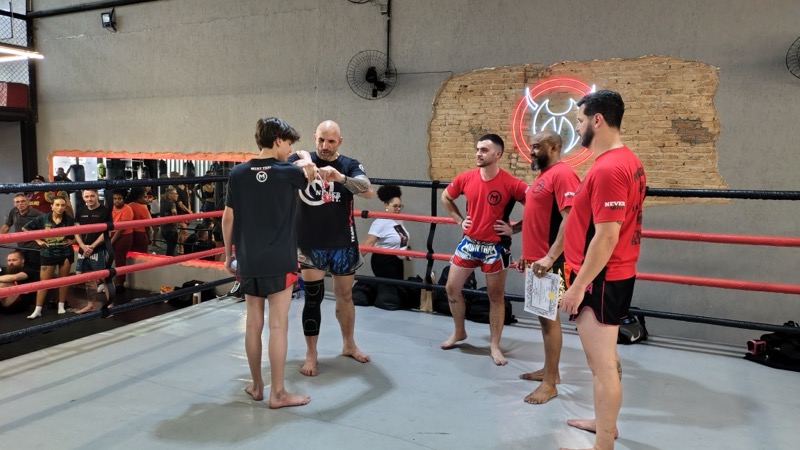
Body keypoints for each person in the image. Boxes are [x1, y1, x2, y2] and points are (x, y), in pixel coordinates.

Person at [559, 90, 646, 450]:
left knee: (602, 366)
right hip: (607, 275)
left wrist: (578, 286)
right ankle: (604, 423)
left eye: (580, 120)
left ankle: (603, 443)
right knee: (604, 360)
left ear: (597, 120)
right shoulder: (624, 160)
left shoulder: (610, 168)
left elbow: (607, 236)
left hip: (601, 278)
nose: (577, 127)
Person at [222, 116, 315, 408]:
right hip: (280, 260)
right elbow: (311, 173)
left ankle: (257, 386)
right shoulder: (289, 172)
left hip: (249, 259)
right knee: (278, 327)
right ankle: (278, 394)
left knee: (253, 324)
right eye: (288, 144)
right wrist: (305, 158)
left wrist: (228, 254)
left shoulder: (237, 173)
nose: (290, 150)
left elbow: (228, 218)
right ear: (277, 141)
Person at [287, 120, 374, 377]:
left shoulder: (349, 164)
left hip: (342, 242)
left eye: (331, 141)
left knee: (345, 296)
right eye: (321, 140)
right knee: (313, 297)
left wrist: (340, 178)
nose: (325, 146)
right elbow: (282, 169)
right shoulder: (300, 158)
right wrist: (303, 164)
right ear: (315, 137)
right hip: (310, 243)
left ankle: (349, 344)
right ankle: (311, 353)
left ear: (340, 142)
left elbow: (367, 189)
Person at [440, 133, 527, 366]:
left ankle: (495, 345)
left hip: (495, 247)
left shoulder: (512, 183)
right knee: (451, 287)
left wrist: (514, 229)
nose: (479, 153)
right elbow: (446, 196)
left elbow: (536, 208)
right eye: (478, 149)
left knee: (495, 297)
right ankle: (459, 331)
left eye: (484, 150)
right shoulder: (466, 177)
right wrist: (459, 220)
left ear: (497, 154)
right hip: (469, 242)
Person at [509, 130, 580, 404]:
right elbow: (537, 219)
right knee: (543, 317)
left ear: (554, 147)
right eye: (531, 146)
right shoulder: (543, 176)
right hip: (537, 261)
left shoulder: (563, 174)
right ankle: (551, 371)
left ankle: (550, 383)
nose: (532, 151)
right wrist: (524, 250)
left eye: (537, 146)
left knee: (550, 320)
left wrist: (550, 257)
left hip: (551, 261)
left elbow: (570, 219)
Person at [357, 185, 413, 309]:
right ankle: (366, 293)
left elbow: (401, 241)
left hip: (397, 262)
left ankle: (374, 295)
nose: (398, 209)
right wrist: (352, 263)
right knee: (390, 291)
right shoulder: (380, 222)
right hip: (384, 261)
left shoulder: (399, 220)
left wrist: (407, 253)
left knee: (394, 290)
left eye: (400, 206)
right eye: (395, 206)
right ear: (386, 205)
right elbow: (368, 243)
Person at [22, 196, 76, 319]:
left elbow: (78, 233)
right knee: (44, 283)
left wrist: (73, 241)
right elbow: (25, 228)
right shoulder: (43, 218)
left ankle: (61, 306)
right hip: (48, 253)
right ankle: (38, 309)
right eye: (57, 205)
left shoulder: (69, 219)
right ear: (52, 206)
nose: (60, 208)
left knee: (64, 281)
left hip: (65, 252)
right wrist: (38, 240)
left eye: (62, 205)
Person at [73, 189, 111, 314]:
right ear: (83, 197)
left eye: (92, 196)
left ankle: (110, 306)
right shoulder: (80, 210)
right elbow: (76, 230)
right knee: (88, 278)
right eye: (87, 196)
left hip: (99, 249)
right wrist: (82, 246)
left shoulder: (105, 211)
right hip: (84, 249)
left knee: (104, 277)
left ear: (97, 196)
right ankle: (90, 305)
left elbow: (107, 232)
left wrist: (92, 246)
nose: (89, 199)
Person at [1, 193, 44, 269]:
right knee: (17, 267)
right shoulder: (14, 211)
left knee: (32, 270)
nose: (20, 203)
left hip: (34, 248)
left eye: (23, 201)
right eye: (17, 202)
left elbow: (48, 226)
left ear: (28, 202)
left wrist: (40, 240)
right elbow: (7, 226)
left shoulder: (37, 214)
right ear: (14, 204)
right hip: (21, 247)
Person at [108, 189, 134, 292]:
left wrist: (111, 241)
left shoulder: (127, 209)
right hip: (112, 234)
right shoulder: (110, 208)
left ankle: (120, 283)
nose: (117, 201)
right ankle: (107, 280)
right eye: (115, 199)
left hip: (124, 235)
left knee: (120, 258)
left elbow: (121, 229)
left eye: (119, 198)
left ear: (124, 199)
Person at [126, 187, 153, 254]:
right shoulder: (143, 207)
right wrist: (149, 237)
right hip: (140, 234)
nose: (147, 199)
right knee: (141, 254)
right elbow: (149, 223)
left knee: (131, 254)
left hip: (130, 234)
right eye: (145, 197)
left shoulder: (128, 206)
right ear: (138, 198)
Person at [160, 187, 180, 256]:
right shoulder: (171, 203)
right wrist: (175, 219)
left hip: (164, 228)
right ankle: (169, 261)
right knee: (171, 250)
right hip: (171, 229)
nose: (177, 195)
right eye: (175, 194)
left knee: (169, 248)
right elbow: (174, 211)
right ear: (169, 195)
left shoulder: (163, 201)